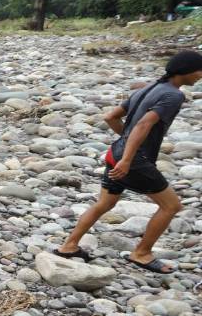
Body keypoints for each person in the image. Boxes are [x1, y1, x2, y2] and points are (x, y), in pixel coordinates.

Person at [56, 50, 202, 274]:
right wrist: (127, 159)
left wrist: (124, 143)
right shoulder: (174, 95)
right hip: (133, 160)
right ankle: (142, 253)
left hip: (115, 153)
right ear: (187, 72)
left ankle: (69, 246)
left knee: (104, 204)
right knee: (171, 206)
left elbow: (110, 117)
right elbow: (143, 125)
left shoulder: (146, 89)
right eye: (200, 71)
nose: (200, 76)